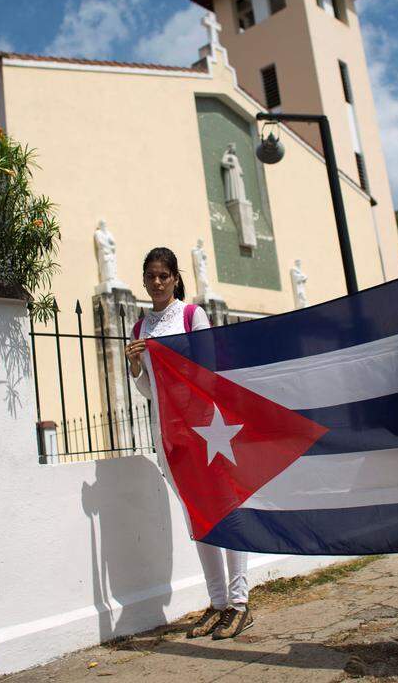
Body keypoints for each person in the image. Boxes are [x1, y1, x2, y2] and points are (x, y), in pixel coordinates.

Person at [124, 247, 253, 641]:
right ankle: (216, 603)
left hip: (207, 428)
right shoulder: (139, 329)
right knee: (197, 515)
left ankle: (240, 602)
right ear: (145, 280)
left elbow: (208, 370)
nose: (158, 282)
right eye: (151, 276)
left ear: (176, 278)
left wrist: (171, 357)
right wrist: (135, 367)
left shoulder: (191, 315)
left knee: (225, 508)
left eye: (164, 275)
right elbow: (150, 391)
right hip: (169, 433)